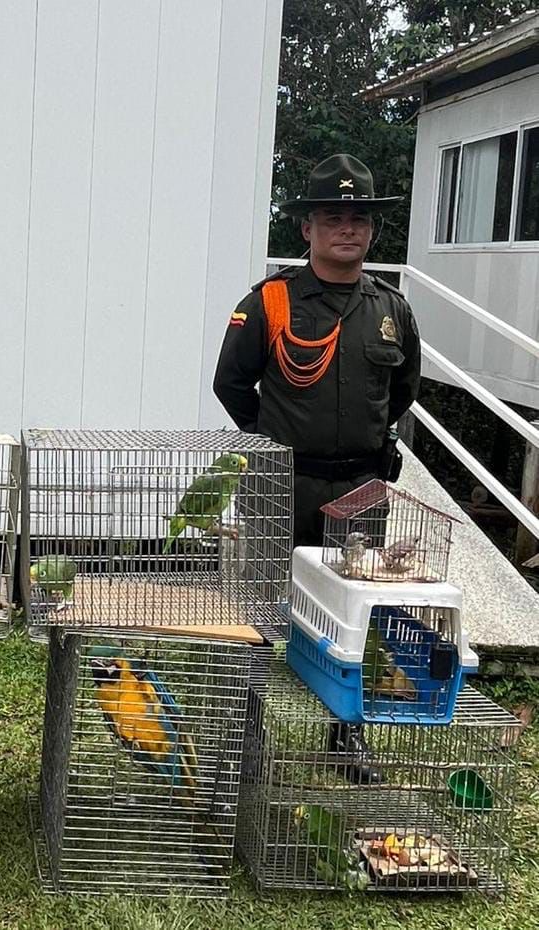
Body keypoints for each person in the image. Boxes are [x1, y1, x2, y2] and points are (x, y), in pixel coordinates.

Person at [213, 153, 421, 783]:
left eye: (359, 218)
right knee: (263, 608)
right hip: (283, 483)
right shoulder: (271, 302)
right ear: (307, 228)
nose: (348, 229)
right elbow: (232, 383)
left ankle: (347, 738)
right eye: (333, 217)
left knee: (360, 611)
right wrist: (274, 444)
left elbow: (403, 390)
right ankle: (246, 735)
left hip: (361, 487)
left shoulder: (391, 309)